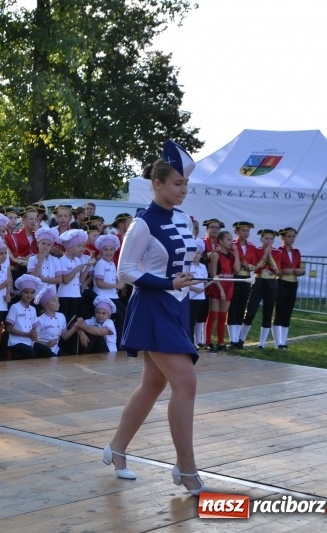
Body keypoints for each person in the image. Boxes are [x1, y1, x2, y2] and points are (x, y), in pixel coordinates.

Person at [105, 140, 210, 497]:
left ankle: (117, 449)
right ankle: (186, 469)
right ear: (158, 184)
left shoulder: (182, 219)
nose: (183, 190)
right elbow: (125, 271)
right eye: (177, 184)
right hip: (152, 307)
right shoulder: (142, 224)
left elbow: (179, 261)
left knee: (153, 384)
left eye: (185, 185)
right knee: (186, 383)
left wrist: (188, 277)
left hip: (177, 306)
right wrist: (167, 282)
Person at [239, 229, 280, 348]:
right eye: (266, 238)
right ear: (261, 239)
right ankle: (241, 338)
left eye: (271, 239)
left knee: (268, 311)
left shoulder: (277, 252)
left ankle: (262, 343)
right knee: (251, 309)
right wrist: (264, 258)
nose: (269, 241)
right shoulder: (256, 250)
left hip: (271, 282)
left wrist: (269, 256)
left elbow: (277, 270)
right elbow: (255, 268)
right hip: (258, 281)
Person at [204, 230, 239, 351]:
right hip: (217, 285)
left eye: (231, 239)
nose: (231, 242)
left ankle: (221, 342)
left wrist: (237, 253)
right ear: (221, 241)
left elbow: (237, 269)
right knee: (213, 314)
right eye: (228, 239)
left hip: (229, 285)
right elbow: (214, 274)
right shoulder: (216, 255)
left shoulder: (232, 255)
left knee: (223, 316)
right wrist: (221, 290)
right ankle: (208, 341)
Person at [273, 227, 304, 348]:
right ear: (282, 237)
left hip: (293, 283)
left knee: (288, 311)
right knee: (279, 310)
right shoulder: (278, 251)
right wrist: (283, 271)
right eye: (289, 236)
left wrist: (300, 271)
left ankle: (283, 341)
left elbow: (299, 266)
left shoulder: (296, 252)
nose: (291, 239)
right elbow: (276, 269)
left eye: (293, 236)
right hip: (281, 283)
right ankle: (277, 342)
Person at [227, 221, 256, 349]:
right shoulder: (231, 245)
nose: (246, 233)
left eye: (247, 231)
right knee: (232, 307)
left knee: (241, 307)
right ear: (237, 232)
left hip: (245, 278)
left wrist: (250, 266)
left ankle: (237, 338)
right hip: (234, 277)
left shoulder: (252, 247)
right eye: (243, 230)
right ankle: (232, 339)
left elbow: (254, 264)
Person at [92, 234, 126, 344]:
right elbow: (99, 283)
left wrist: (120, 283)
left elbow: (117, 279)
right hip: (103, 297)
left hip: (113, 296)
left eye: (111, 249)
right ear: (101, 251)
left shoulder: (112, 264)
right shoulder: (100, 264)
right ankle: (119, 342)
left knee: (125, 315)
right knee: (121, 317)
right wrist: (115, 286)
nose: (108, 252)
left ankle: (120, 340)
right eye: (105, 249)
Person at [4, 274, 43, 359]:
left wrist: (34, 334)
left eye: (32, 292)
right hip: (15, 342)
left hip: (29, 342)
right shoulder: (15, 307)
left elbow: (34, 328)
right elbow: (8, 329)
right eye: (26, 292)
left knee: (45, 351)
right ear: (21, 293)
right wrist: (27, 335)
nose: (29, 295)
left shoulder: (33, 309)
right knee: (31, 354)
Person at [32, 285, 77, 357]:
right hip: (44, 351)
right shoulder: (39, 320)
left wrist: (76, 326)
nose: (57, 303)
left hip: (56, 350)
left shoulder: (61, 316)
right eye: (54, 301)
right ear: (46, 305)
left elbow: (64, 336)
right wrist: (46, 344)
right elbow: (33, 340)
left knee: (68, 360)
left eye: (58, 300)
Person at [27, 227, 62, 295]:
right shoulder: (32, 259)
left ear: (52, 247)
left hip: (51, 295)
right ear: (38, 244)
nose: (45, 246)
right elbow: (32, 278)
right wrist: (40, 261)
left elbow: (59, 280)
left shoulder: (55, 260)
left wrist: (41, 278)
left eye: (48, 244)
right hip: (36, 294)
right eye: (43, 243)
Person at [188, 241, 210, 348]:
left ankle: (196, 341)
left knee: (197, 319)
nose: (196, 255)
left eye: (198, 253)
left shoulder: (203, 267)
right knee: (190, 320)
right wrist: (194, 289)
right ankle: (190, 342)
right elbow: (184, 282)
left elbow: (204, 281)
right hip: (190, 296)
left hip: (200, 297)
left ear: (201, 255)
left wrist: (212, 281)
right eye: (194, 252)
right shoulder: (188, 266)